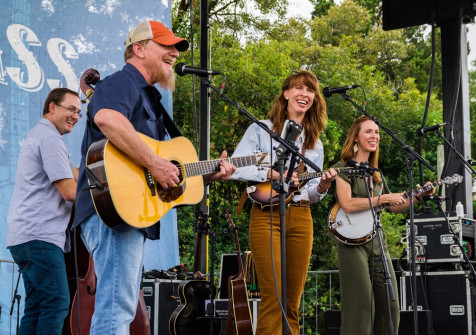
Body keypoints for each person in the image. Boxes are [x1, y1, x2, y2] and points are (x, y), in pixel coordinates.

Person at [73, 20, 236, 334]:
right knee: (116, 308)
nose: (174, 53)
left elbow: (165, 169)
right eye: (166, 46)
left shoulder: (151, 100)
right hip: (110, 210)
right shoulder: (123, 82)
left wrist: (208, 173)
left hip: (129, 213)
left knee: (120, 307)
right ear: (139, 48)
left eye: (176, 48)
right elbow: (106, 118)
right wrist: (155, 163)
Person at [231, 70, 337, 334]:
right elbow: (234, 166)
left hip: (301, 216)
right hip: (265, 214)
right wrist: (271, 173)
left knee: (292, 301)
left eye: (310, 90)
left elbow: (311, 192)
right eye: (299, 88)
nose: (305, 94)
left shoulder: (315, 143)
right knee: (273, 297)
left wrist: (322, 187)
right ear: (286, 93)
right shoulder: (260, 129)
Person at [331, 115, 435, 335]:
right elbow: (347, 204)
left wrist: (418, 196)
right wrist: (384, 199)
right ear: (356, 138)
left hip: (378, 241)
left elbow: (394, 206)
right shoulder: (342, 168)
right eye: (368, 131)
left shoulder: (375, 173)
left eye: (377, 132)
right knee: (360, 305)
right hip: (352, 244)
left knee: (391, 305)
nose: (374, 136)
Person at [6, 88, 81, 334]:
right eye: (71, 109)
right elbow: (70, 191)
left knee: (37, 306)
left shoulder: (42, 136)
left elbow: (75, 174)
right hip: (40, 237)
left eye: (79, 112)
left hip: (26, 238)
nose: (76, 116)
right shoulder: (50, 139)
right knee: (57, 303)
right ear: (52, 107)